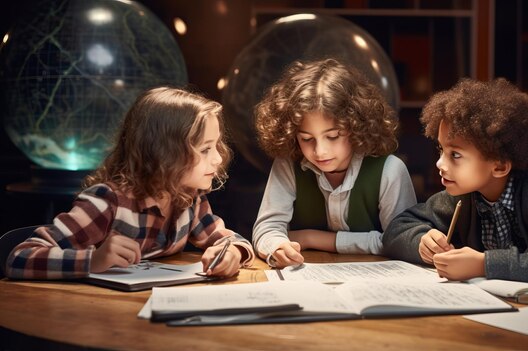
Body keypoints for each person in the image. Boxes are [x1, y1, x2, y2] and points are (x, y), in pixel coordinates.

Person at [5, 87, 254, 280]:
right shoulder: (106, 202)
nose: (219, 157)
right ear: (164, 154)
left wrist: (233, 252)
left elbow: (228, 238)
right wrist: (92, 260)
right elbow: (19, 257)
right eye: (205, 149)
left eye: (216, 145)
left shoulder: (189, 197)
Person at [382, 78, 528, 285]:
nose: (440, 163)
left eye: (455, 155)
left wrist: (484, 264)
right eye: (441, 149)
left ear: (499, 166)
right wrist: (422, 241)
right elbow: (395, 231)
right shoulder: (463, 195)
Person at [252, 58, 417, 268]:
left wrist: (312, 238)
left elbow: (401, 241)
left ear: (356, 125)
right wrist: (276, 245)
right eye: (306, 139)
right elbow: (267, 229)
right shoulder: (287, 165)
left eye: (333, 136)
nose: (320, 151)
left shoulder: (390, 170)